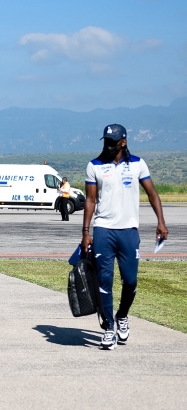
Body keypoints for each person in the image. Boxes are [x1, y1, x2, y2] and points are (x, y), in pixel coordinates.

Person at [81, 124, 168, 350]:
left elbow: (152, 193)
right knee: (104, 281)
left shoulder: (137, 163)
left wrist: (161, 222)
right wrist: (86, 232)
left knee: (130, 282)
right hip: (104, 230)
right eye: (105, 142)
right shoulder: (94, 166)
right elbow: (90, 200)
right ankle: (109, 328)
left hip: (129, 231)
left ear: (123, 142)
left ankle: (122, 315)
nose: (107, 146)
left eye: (112, 142)